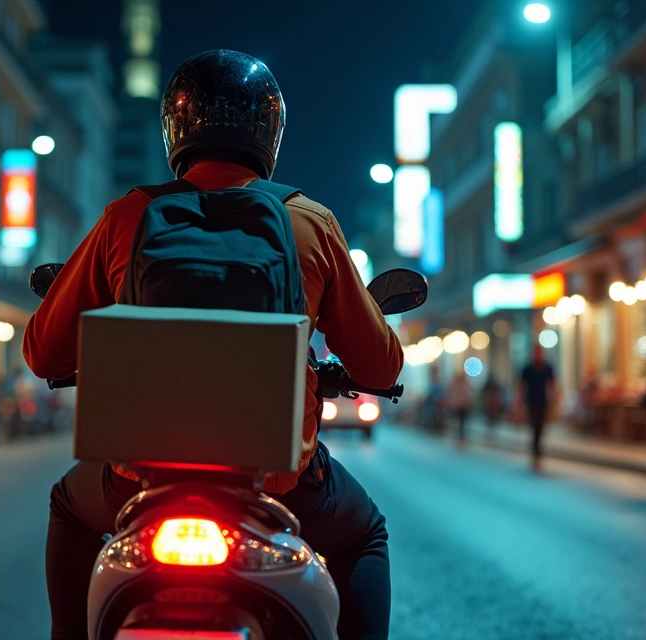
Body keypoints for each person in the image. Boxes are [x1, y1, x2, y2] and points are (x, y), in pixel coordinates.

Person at [23, 50, 403, 640]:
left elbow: (44, 353)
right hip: (280, 486)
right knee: (365, 533)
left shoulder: (126, 217)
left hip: (137, 481)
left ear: (175, 130)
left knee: (68, 509)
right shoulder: (310, 221)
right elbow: (380, 364)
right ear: (270, 133)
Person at [519, 344, 556, 471]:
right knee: (534, 427)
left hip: (543, 402)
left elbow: (552, 385)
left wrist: (553, 401)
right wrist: (519, 404)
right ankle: (536, 453)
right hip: (531, 402)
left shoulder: (547, 368)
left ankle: (537, 452)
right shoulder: (527, 369)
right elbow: (522, 387)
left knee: (540, 427)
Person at [446, 371, 473, 446]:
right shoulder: (453, 384)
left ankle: (461, 436)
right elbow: (450, 394)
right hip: (456, 406)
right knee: (457, 421)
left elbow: (469, 394)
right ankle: (457, 435)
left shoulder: (465, 384)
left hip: (463, 406)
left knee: (462, 422)